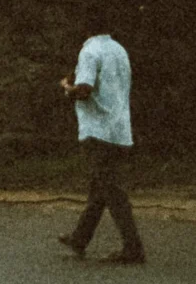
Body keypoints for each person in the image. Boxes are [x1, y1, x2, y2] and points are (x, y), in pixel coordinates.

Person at [58, 32, 145, 264]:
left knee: (111, 189)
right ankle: (80, 238)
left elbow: (84, 90)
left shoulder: (89, 51)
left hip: (98, 129)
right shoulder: (119, 50)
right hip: (119, 128)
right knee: (100, 187)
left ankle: (133, 247)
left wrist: (67, 87)